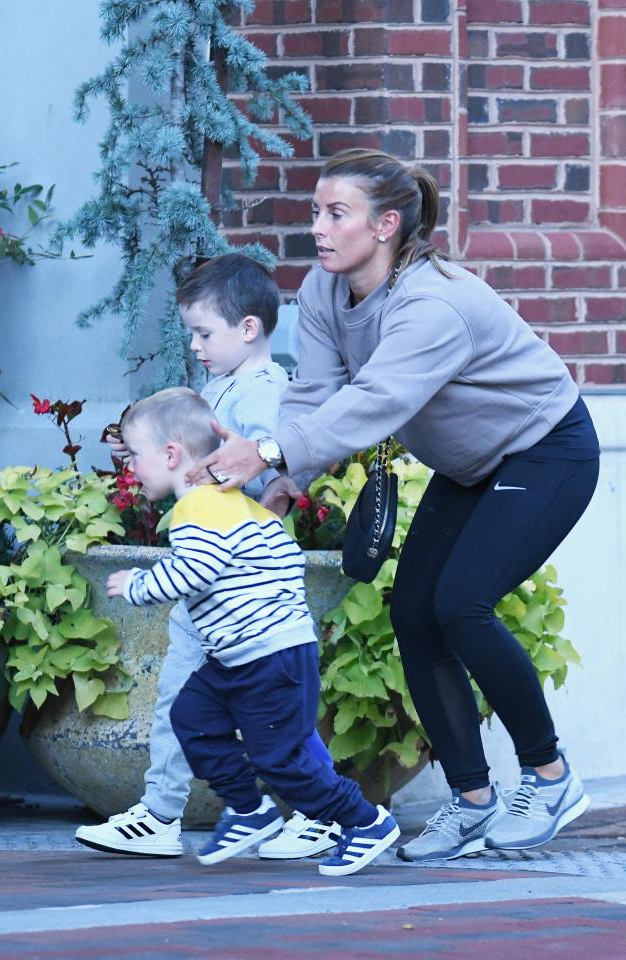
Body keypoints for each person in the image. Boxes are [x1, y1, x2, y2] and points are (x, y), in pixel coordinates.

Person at [188, 148, 600, 863]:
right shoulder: (323, 290)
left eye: (335, 213)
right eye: (316, 211)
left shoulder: (431, 304)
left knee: (460, 602)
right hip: (469, 463)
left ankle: (552, 776)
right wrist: (294, 470)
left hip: (546, 448)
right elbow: (316, 394)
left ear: (384, 226)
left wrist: (270, 451)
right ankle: (472, 802)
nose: (318, 227)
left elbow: (377, 401)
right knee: (413, 608)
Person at [76, 254, 337, 861]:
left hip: (234, 584)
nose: (194, 345)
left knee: (253, 706)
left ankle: (310, 812)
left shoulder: (265, 392)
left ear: (249, 329)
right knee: (203, 698)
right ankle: (164, 812)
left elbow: (282, 471)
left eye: (204, 333)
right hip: (213, 582)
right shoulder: (222, 387)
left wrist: (268, 490)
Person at [103, 388, 401, 876]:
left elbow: (193, 570)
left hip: (269, 657)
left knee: (280, 759)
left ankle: (364, 821)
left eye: (136, 454)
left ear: (172, 454)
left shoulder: (198, 508)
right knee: (193, 717)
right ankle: (248, 810)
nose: (130, 467)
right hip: (242, 655)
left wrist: (137, 584)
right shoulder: (238, 505)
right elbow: (283, 557)